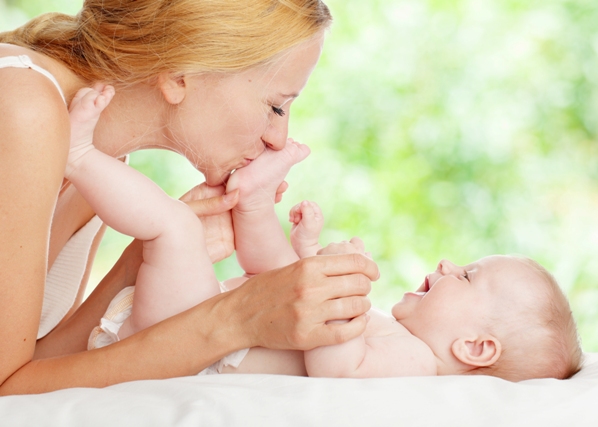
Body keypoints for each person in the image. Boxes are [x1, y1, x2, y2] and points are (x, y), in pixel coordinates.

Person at [72, 87, 582, 381]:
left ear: (475, 348)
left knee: (174, 228)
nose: (449, 265)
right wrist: (312, 260)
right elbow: (288, 306)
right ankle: (252, 204)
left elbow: (338, 370)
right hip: (206, 324)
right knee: (278, 276)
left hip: (181, 343)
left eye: (468, 277)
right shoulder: (400, 335)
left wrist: (343, 301)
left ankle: (78, 158)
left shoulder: (418, 366)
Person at [0, 0, 379, 395]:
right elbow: (7, 392)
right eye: (276, 106)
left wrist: (142, 262)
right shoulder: (24, 106)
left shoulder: (98, 158)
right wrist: (233, 319)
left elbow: (39, 370)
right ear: (181, 74)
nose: (278, 139)